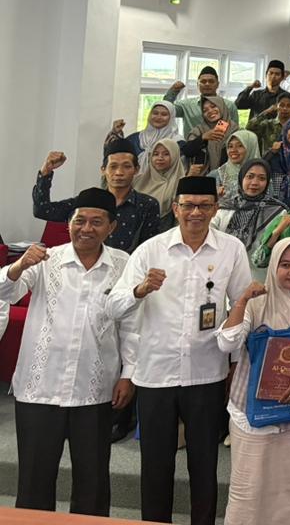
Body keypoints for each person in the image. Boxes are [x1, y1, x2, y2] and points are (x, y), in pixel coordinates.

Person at [106, 174, 253, 525]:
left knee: (204, 464)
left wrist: (235, 359)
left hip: (207, 372)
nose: (195, 213)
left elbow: (244, 306)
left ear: (215, 209)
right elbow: (112, 306)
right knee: (156, 464)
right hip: (156, 374)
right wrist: (140, 290)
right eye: (188, 205)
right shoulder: (150, 250)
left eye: (204, 206)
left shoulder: (231, 249)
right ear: (175, 208)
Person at [0, 187, 137, 515]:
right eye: (79, 220)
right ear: (69, 223)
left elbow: (133, 325)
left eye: (96, 222)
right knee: (34, 480)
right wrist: (18, 265)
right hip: (40, 387)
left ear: (111, 227)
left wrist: (129, 374)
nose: (86, 228)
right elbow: (5, 291)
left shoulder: (124, 264)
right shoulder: (46, 259)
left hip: (94, 388)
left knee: (93, 481)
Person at [218, 239, 290, 525]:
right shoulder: (257, 301)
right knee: (251, 486)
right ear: (273, 266)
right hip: (254, 410)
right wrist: (242, 301)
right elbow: (227, 342)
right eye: (285, 265)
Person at [34, 140, 165, 254]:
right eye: (113, 166)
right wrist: (46, 172)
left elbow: (149, 248)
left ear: (136, 169)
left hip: (128, 270)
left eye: (126, 166)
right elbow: (42, 210)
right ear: (103, 170)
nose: (119, 172)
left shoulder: (147, 205)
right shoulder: (89, 201)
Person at [214, 158, 288, 267]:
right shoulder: (224, 208)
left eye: (262, 178)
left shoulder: (278, 212)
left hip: (258, 273)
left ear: (268, 182)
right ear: (241, 178)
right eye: (250, 176)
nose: (254, 183)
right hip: (223, 270)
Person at [164, 65, 237, 132]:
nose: (207, 84)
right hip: (192, 142)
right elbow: (166, 110)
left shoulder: (229, 106)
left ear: (217, 84)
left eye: (211, 81)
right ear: (197, 84)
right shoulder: (186, 105)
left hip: (221, 142)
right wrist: (173, 91)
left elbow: (234, 131)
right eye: (203, 81)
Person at [134, 137, 188, 216]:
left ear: (175, 156)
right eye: (156, 154)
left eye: (166, 154)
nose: (160, 158)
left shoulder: (182, 185)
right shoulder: (138, 180)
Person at [214, 128, 261, 200]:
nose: (233, 150)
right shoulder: (218, 175)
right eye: (230, 146)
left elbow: (270, 203)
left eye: (240, 146)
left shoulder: (262, 175)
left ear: (251, 147)